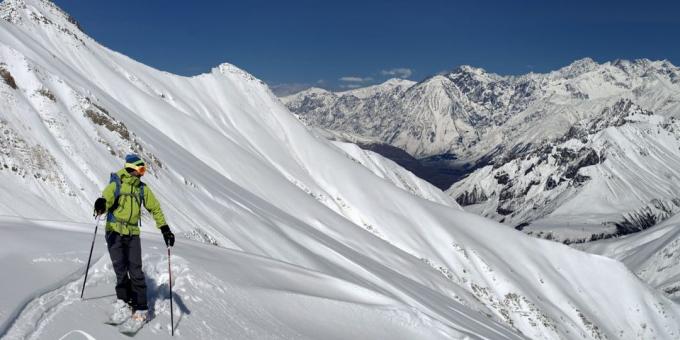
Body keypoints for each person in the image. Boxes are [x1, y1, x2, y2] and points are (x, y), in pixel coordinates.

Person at [93, 154, 175, 325]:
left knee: (136, 271)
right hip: (114, 232)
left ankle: (141, 307)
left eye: (144, 170)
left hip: (132, 233)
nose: (143, 173)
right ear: (132, 168)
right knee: (120, 270)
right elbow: (107, 198)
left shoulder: (142, 189)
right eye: (141, 169)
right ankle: (123, 302)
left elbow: (155, 208)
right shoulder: (116, 183)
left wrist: (165, 229)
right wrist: (101, 203)